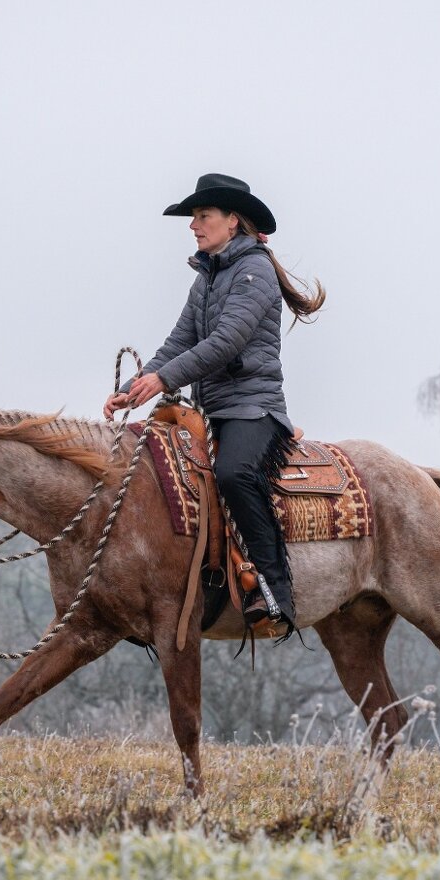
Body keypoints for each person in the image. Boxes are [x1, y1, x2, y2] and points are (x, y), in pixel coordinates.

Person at [104, 173, 325, 632]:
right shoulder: (205, 279)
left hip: (252, 409)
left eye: (202, 216)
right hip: (211, 412)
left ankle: (273, 589)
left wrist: (163, 378)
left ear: (232, 221)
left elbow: (225, 343)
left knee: (234, 474)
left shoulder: (254, 271)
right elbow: (179, 340)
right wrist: (138, 386)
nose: (193, 226)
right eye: (194, 218)